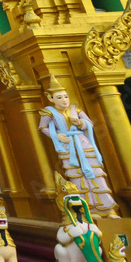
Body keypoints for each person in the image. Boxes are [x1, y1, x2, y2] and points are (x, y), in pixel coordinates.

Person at [39, 75, 118, 218]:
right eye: (59, 98)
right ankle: (87, 209)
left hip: (83, 143)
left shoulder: (76, 109)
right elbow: (43, 127)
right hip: (68, 146)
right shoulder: (48, 112)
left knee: (96, 174)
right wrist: (57, 136)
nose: (64, 100)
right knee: (77, 177)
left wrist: (80, 123)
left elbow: (89, 124)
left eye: (65, 97)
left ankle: (108, 209)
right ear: (50, 99)